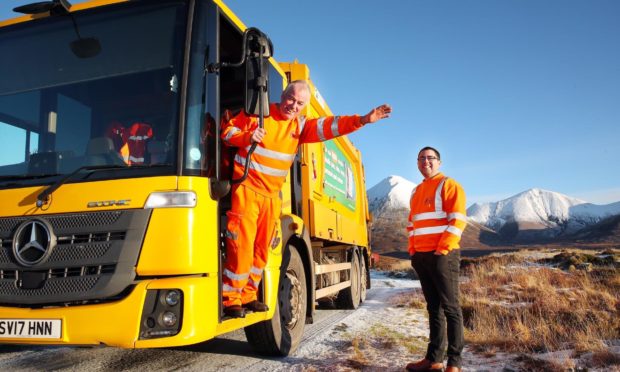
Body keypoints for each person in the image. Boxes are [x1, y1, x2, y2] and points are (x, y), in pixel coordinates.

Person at [220, 80, 391, 318]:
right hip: (247, 189)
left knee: (261, 250)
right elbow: (227, 133)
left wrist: (361, 120)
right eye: (291, 99)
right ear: (283, 95)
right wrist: (247, 137)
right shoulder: (258, 114)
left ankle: (249, 296)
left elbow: (330, 126)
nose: (293, 105)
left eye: (300, 103)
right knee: (242, 247)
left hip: (272, 197)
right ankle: (231, 300)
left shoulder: (300, 126)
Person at [406, 146, 467, 372]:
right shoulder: (416, 191)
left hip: (443, 256)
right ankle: (434, 360)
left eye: (431, 158)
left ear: (439, 162)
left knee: (451, 308)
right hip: (421, 257)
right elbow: (412, 224)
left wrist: (442, 250)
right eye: (421, 158)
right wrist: (412, 251)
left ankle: (454, 363)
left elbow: (458, 220)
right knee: (434, 308)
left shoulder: (449, 185)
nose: (426, 162)